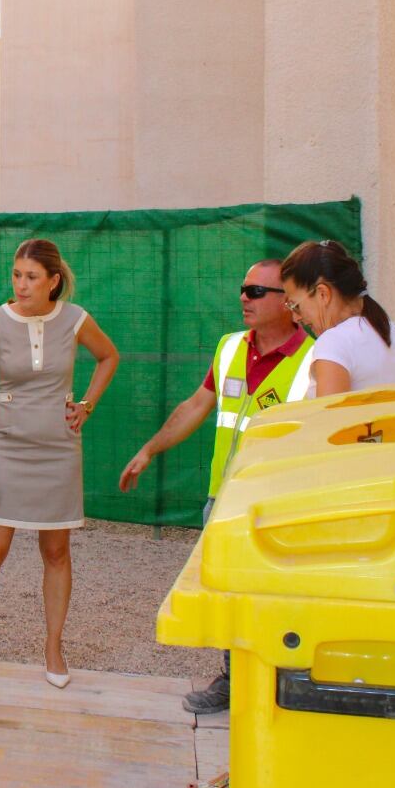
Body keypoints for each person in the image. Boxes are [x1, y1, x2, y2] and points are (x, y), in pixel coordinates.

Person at [182, 238, 395, 788]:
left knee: (284, 648)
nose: (294, 316)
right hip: (384, 522)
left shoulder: (334, 345)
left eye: (295, 302)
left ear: (321, 292)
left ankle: (262, 777)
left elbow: (326, 446)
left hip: (330, 526)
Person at [118, 260, 312, 717]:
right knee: (227, 596)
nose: (244, 297)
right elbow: (196, 405)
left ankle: (281, 686)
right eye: (242, 288)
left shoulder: (314, 361)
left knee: (277, 598)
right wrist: (149, 449)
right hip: (222, 500)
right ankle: (235, 680)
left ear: (289, 302)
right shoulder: (229, 349)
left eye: (256, 291)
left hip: (278, 505)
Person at [0, 239, 120, 691]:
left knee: (57, 552)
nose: (20, 284)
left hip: (60, 450)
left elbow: (109, 357)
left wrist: (87, 404)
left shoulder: (75, 318)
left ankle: (53, 646)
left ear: (53, 281)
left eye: (31, 277)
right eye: (16, 275)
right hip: (6, 446)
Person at [280, 239, 395, 399]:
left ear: (322, 294)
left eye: (295, 306)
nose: (296, 317)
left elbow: (331, 420)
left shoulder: (333, 341)